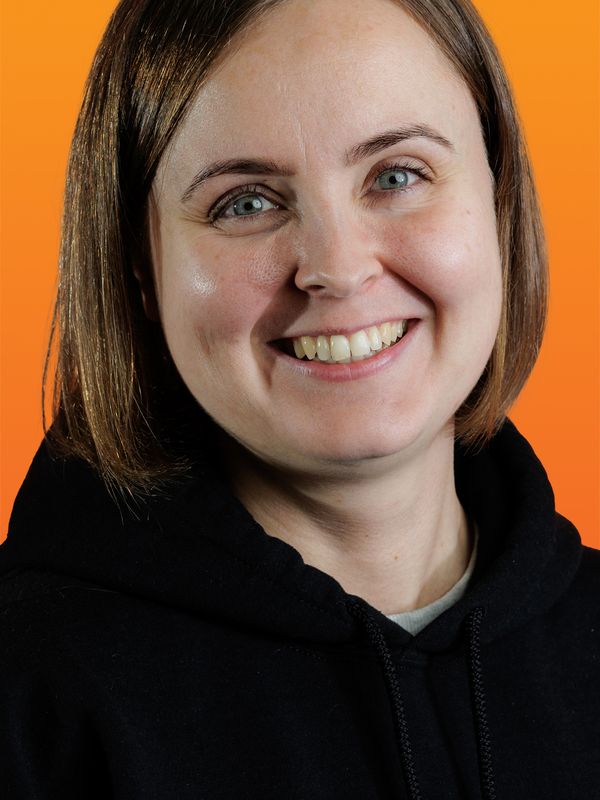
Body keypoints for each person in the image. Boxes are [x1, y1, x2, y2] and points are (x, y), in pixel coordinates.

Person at [1, 0, 598, 797]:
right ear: (140, 270)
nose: (338, 269)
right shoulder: (25, 696)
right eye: (245, 201)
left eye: (397, 175)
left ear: (497, 195)